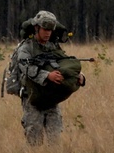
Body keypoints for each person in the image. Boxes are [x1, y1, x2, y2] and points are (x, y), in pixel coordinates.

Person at [8, 10, 86, 145]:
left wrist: (78, 77)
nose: (48, 33)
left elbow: (64, 64)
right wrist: (47, 76)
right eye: (45, 29)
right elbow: (26, 67)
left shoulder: (53, 47)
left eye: (50, 29)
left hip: (51, 97)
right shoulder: (26, 48)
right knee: (34, 136)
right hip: (32, 97)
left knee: (55, 136)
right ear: (36, 28)